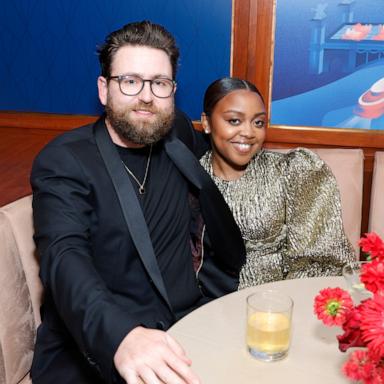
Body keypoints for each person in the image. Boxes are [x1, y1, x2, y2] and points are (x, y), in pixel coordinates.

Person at [30, 22, 245, 384]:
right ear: (104, 89)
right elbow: (63, 258)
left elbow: (229, 157)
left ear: (172, 91)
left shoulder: (175, 132)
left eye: (159, 83)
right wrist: (122, 336)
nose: (146, 96)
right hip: (100, 348)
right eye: (130, 81)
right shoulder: (65, 161)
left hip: (189, 329)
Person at [199, 77, 355, 290]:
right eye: (234, 120)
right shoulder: (190, 176)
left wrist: (281, 305)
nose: (248, 132)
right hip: (209, 304)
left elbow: (319, 260)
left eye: (258, 122)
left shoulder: (291, 171)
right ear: (207, 122)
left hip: (279, 303)